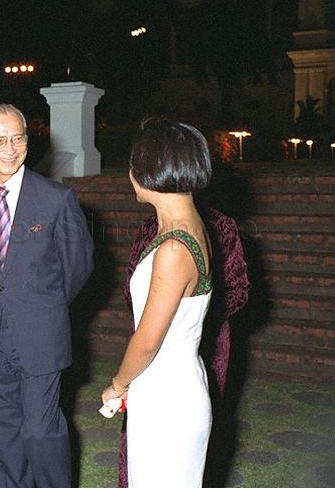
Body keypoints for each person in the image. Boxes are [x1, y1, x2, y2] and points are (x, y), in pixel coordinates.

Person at [0, 103, 94, 488]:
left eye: (18, 138)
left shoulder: (56, 199)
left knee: (41, 431)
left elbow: (77, 266)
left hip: (41, 334)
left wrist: (42, 305)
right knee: (4, 434)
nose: (10, 148)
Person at [101, 117, 214, 487]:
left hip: (169, 395)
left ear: (149, 170)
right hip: (169, 384)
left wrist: (118, 384)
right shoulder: (188, 225)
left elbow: (148, 341)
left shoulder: (174, 247)